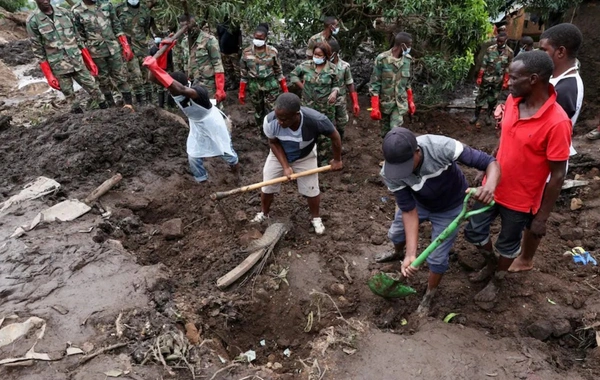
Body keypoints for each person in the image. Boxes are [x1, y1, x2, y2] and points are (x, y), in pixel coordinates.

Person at [464, 51, 571, 303]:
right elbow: (505, 139)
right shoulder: (513, 102)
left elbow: (558, 175)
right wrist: (488, 165)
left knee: (508, 244)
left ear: (533, 79)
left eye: (513, 78)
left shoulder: (557, 123)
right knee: (474, 232)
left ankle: (498, 279)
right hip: (491, 188)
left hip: (521, 200)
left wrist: (542, 217)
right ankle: (492, 264)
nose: (508, 83)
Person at [376, 127, 500, 315]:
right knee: (395, 233)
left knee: (436, 258)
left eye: (406, 165)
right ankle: (398, 253)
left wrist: (489, 187)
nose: (402, 172)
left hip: (451, 206)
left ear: (417, 151)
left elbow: (489, 162)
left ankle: (429, 295)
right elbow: (408, 210)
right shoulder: (390, 173)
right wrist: (411, 254)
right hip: (419, 203)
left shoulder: (441, 147)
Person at [509, 23, 584, 272]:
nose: (540, 55)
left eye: (544, 49)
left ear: (560, 52)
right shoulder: (559, 79)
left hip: (547, 162)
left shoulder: (564, 90)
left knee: (536, 213)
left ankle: (525, 259)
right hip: (541, 157)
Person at [250, 93, 343, 235]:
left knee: (311, 188)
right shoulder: (270, 121)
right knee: (267, 185)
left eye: (284, 119)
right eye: (278, 117)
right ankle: (264, 213)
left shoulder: (315, 120)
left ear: (296, 115)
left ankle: (315, 218)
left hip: (305, 155)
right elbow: (273, 143)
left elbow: (335, 137)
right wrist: (286, 166)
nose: (280, 122)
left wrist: (337, 159)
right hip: (279, 154)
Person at [143, 56, 239, 183]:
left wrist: (156, 67)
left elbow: (180, 89)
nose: (170, 89)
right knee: (193, 155)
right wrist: (159, 57)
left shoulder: (198, 92)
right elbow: (152, 78)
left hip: (212, 123)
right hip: (196, 123)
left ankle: (236, 174)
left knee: (225, 150)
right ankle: (202, 180)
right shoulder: (174, 88)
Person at [26, 0, 106, 112]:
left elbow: (78, 39)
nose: (45, 1)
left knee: (94, 88)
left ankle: (106, 112)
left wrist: (90, 61)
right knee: (70, 97)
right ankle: (79, 121)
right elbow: (38, 51)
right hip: (59, 66)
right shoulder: (33, 21)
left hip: (77, 61)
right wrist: (49, 76)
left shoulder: (65, 13)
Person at [71, 0, 134, 108]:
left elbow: (116, 25)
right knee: (102, 81)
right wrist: (87, 59)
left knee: (121, 76)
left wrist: (125, 45)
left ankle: (129, 105)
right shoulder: (76, 10)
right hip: (96, 53)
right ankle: (111, 108)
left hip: (113, 48)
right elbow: (79, 36)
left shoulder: (106, 4)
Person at [291, 43, 339, 162]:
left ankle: (323, 160)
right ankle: (306, 157)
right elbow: (293, 75)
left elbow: (337, 85)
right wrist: (302, 87)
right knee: (307, 131)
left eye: (319, 55)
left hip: (325, 107)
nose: (316, 57)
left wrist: (334, 93)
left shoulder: (333, 69)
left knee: (325, 133)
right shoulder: (305, 66)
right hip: (308, 106)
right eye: (315, 54)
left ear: (326, 56)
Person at [239, 24, 288, 128]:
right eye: (256, 38)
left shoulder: (273, 52)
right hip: (254, 85)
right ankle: (261, 130)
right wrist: (241, 91)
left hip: (270, 84)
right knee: (258, 110)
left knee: (273, 109)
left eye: (260, 38)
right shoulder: (246, 52)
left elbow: (279, 71)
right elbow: (243, 74)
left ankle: (273, 130)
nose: (258, 40)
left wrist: (285, 89)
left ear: (265, 38)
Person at [369, 32, 416, 137]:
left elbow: (407, 83)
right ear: (402, 45)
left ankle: (396, 150)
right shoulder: (382, 59)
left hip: (399, 104)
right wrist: (375, 107)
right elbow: (374, 84)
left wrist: (411, 101)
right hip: (385, 103)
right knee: (385, 135)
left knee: (395, 131)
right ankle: (388, 152)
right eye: (409, 45)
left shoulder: (407, 60)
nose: (410, 47)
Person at [116, 0, 157, 105]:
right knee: (135, 76)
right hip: (128, 49)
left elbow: (146, 28)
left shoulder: (144, 10)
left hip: (142, 48)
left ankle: (150, 102)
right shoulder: (119, 9)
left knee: (147, 75)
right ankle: (140, 103)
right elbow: (116, 28)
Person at [471, 32, 513, 128]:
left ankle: (488, 116)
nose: (499, 43)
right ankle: (475, 116)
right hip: (487, 77)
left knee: (493, 98)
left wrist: (506, 81)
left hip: (498, 80)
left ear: (505, 41)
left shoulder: (509, 52)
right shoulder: (490, 49)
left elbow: (508, 68)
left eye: (501, 41)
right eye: (498, 40)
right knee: (481, 96)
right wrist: (479, 77)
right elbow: (484, 64)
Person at [329, 39, 360, 140]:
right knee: (327, 123)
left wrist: (355, 102)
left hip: (340, 101)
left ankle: (340, 140)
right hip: (325, 100)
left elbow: (350, 83)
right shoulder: (323, 66)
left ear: (335, 53)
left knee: (341, 123)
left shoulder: (344, 67)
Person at [217, 17, 242, 89]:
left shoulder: (234, 25)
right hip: (224, 51)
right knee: (228, 69)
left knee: (237, 69)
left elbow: (239, 36)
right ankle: (231, 82)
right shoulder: (220, 25)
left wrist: (240, 47)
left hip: (234, 51)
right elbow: (219, 37)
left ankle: (239, 84)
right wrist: (219, 48)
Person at [148, 37, 174, 108]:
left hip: (159, 70)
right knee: (167, 87)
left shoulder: (153, 49)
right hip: (163, 70)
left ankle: (162, 105)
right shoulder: (167, 49)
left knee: (161, 88)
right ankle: (168, 105)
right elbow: (170, 60)